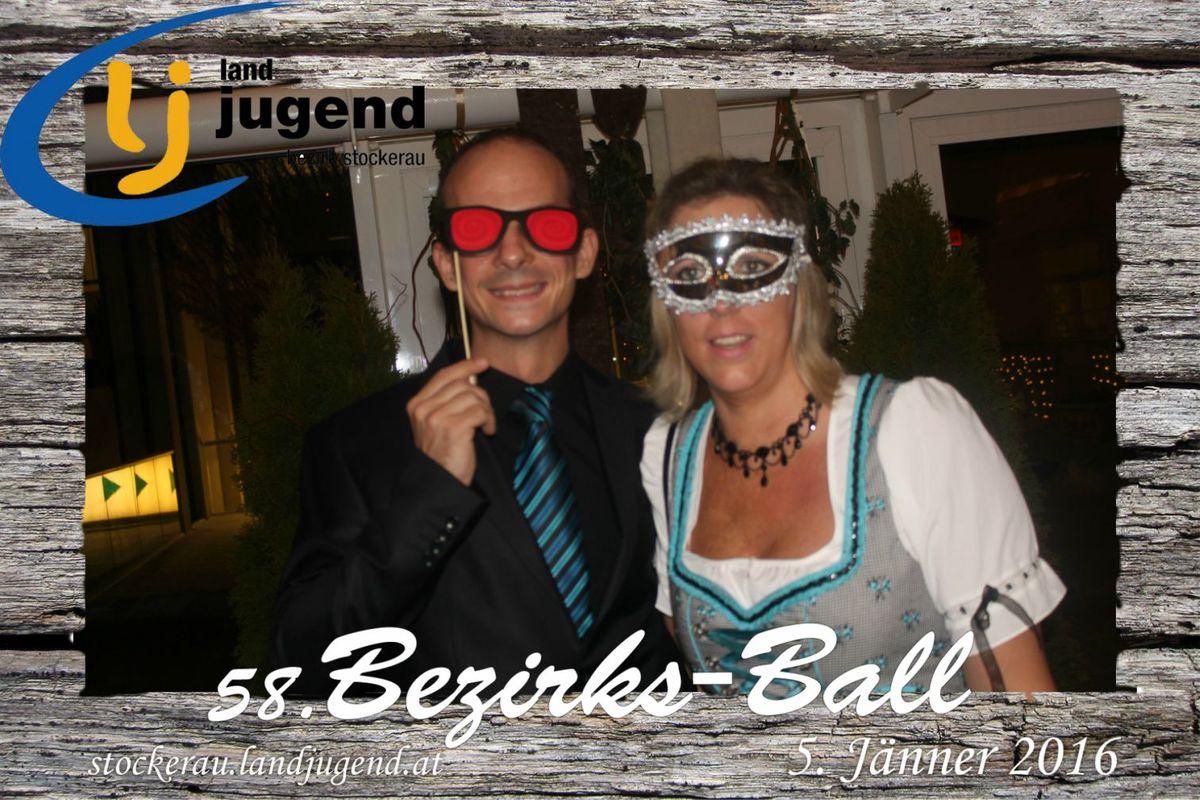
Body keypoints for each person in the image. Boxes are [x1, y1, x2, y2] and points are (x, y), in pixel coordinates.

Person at [272, 128, 678, 695]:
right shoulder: (356, 443)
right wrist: (429, 495)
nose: (512, 253)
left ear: (584, 252)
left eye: (545, 224)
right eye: (478, 228)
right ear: (446, 263)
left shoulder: (657, 427)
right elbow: (300, 664)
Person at [640, 157, 1065, 695]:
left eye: (753, 268)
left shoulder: (913, 430)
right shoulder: (669, 455)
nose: (722, 305)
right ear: (667, 305)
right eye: (689, 277)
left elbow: (1019, 700)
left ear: (798, 285)